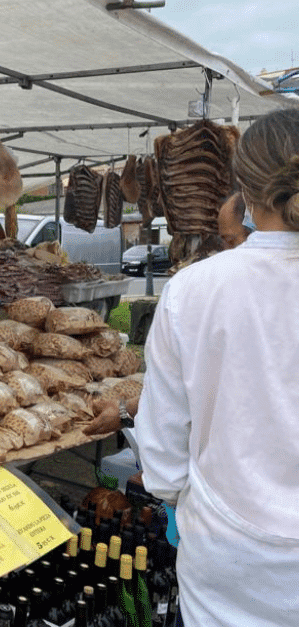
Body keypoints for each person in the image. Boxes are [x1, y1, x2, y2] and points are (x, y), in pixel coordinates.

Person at [134, 108, 299, 627]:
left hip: (224, 560)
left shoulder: (193, 289)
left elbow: (161, 442)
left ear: (243, 189)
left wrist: (172, 501)